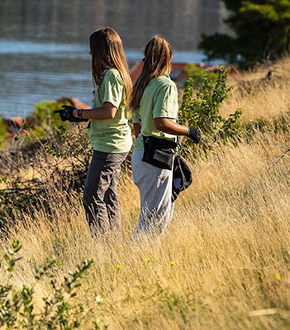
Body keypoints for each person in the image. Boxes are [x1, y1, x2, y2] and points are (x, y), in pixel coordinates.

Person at [57, 27, 133, 236]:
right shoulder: (117, 74)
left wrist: (79, 113)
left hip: (110, 145)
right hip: (115, 142)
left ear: (101, 50)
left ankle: (103, 245)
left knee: (92, 195)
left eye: (92, 49)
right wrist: (76, 114)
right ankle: (113, 242)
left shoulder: (110, 76)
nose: (90, 53)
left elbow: (109, 111)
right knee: (108, 194)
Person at [128, 35, 201, 238]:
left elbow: (137, 127)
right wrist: (189, 131)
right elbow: (162, 122)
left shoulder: (142, 85)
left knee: (154, 216)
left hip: (142, 155)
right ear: (168, 58)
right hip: (157, 157)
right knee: (154, 221)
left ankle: (139, 260)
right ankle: (135, 261)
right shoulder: (166, 85)